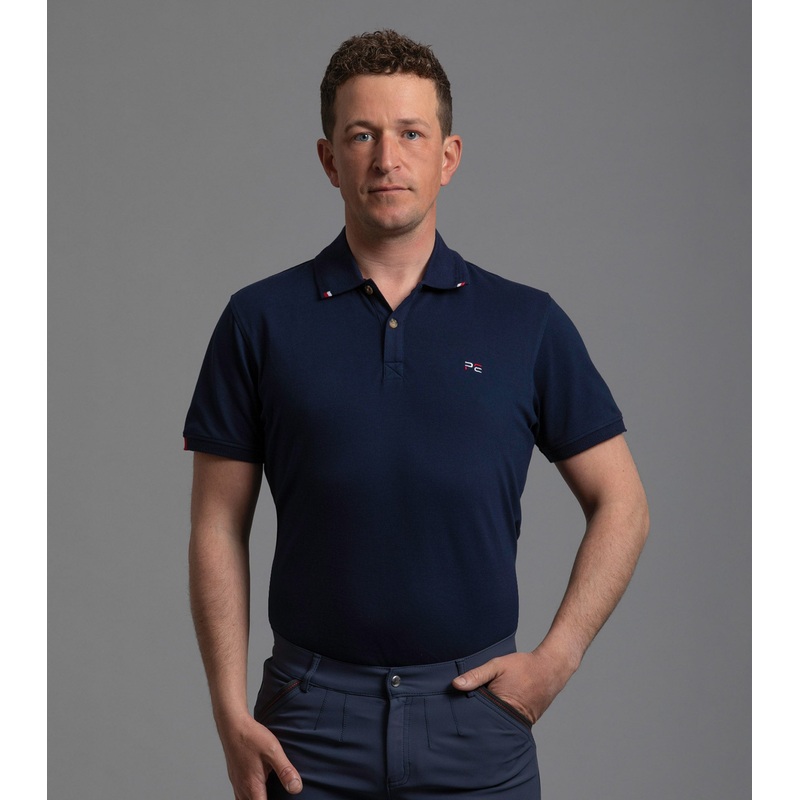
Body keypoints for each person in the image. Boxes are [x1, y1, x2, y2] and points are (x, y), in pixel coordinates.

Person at [183, 29, 649, 800]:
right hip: (308, 725)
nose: (386, 159)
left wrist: (555, 661)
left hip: (476, 721)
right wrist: (228, 711)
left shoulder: (526, 323)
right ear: (329, 158)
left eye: (410, 134)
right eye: (361, 135)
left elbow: (623, 502)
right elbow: (216, 526)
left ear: (448, 156)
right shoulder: (258, 322)